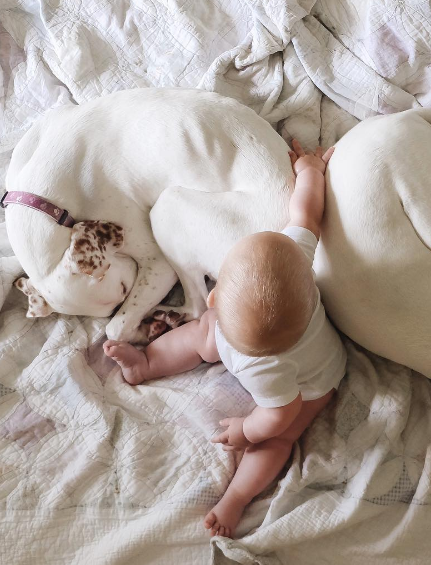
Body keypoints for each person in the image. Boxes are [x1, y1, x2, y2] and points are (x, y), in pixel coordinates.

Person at [103, 139, 347, 538]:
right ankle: (146, 364)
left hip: (310, 381)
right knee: (201, 335)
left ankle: (235, 499)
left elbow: (279, 413)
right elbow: (306, 212)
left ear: (212, 296)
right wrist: (310, 173)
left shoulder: (265, 369)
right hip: (250, 335)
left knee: (281, 436)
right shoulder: (296, 256)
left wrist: (248, 430)